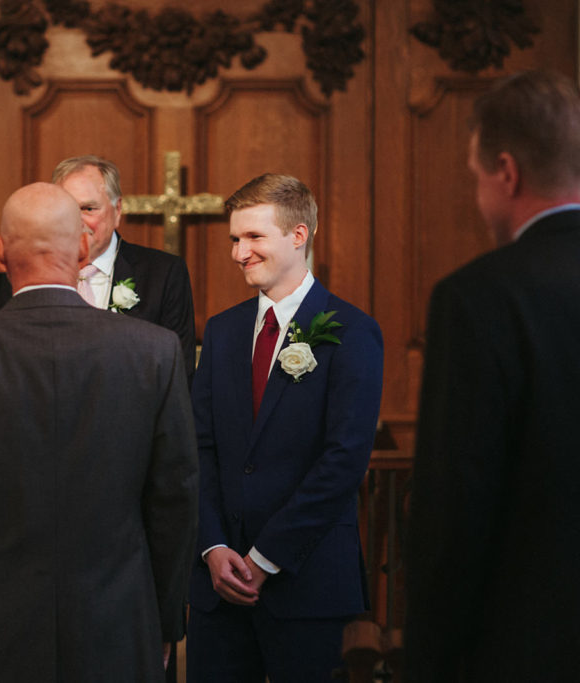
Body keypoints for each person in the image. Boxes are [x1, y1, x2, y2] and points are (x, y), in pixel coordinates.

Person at [0, 182, 198, 683]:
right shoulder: (153, 351)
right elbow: (174, 497)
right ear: (83, 248)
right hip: (119, 616)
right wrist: (164, 619)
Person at [404, 70, 580, 681]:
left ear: (506, 172)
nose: (479, 198)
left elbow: (453, 518)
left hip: (524, 647)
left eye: (475, 180)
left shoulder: (477, 299)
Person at [188, 174, 383, 681]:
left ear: (299, 236)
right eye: (235, 238)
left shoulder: (351, 330)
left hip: (308, 580)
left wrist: (265, 556)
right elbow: (199, 445)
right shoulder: (224, 330)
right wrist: (213, 547)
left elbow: (344, 460)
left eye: (254, 237)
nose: (239, 252)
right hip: (220, 585)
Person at [0, 155, 197, 382]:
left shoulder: (163, 273)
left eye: (89, 208)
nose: (77, 221)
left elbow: (179, 373)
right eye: (68, 209)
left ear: (117, 210)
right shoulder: (28, 272)